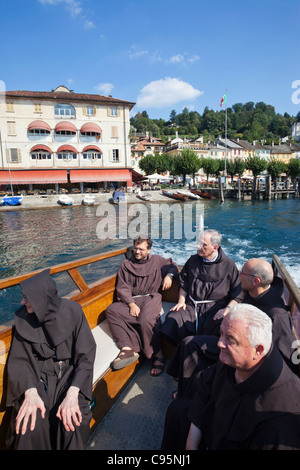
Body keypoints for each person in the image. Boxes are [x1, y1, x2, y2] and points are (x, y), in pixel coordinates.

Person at [162, 304, 300, 450]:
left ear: (258, 350)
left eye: (231, 340)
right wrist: (191, 445)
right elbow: (205, 387)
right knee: (177, 410)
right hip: (216, 423)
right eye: (221, 333)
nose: (219, 343)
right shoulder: (233, 361)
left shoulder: (280, 418)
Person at [169, 257, 298, 397]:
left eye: (242, 273)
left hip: (244, 354)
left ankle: (186, 395)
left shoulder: (276, 315)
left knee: (191, 344)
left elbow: (287, 352)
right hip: (234, 340)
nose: (239, 275)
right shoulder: (254, 292)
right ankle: (184, 379)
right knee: (205, 329)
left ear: (256, 281)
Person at [6, 269, 96, 450]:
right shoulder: (23, 319)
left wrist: (73, 393)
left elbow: (85, 355)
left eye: (26, 298)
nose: (23, 302)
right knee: (29, 424)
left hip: (70, 377)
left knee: (74, 421)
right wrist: (30, 392)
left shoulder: (73, 310)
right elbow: (20, 361)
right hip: (39, 379)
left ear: (41, 299)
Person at [160, 229, 241, 379]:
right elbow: (184, 284)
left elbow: (238, 293)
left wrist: (227, 309)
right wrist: (181, 301)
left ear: (215, 247)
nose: (198, 246)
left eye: (203, 244)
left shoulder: (229, 265)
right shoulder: (192, 260)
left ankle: (207, 367)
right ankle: (182, 360)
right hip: (192, 306)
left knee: (222, 326)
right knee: (173, 319)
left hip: (216, 308)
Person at [105, 237, 178, 376]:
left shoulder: (157, 260)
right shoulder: (125, 265)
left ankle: (158, 354)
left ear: (148, 250)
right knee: (112, 310)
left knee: (146, 320)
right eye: (135, 248)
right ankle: (127, 348)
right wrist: (131, 304)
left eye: (141, 249)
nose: (137, 251)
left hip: (151, 297)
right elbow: (122, 287)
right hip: (131, 300)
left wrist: (169, 275)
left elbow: (172, 265)